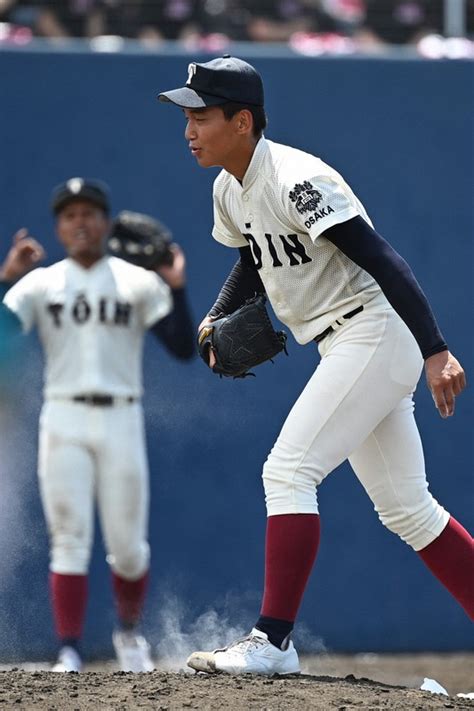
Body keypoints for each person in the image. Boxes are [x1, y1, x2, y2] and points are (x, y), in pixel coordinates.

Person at [158, 56, 473, 675]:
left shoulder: (297, 178)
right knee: (408, 509)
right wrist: (214, 316)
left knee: (289, 470)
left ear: (242, 120)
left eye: (201, 115)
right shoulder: (230, 187)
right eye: (186, 115)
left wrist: (436, 349)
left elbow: (384, 259)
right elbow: (254, 259)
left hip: (375, 328)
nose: (188, 128)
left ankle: (272, 642)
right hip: (344, 341)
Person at [0, 178, 195, 673]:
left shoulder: (134, 280)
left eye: (89, 212)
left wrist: (176, 286)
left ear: (106, 223)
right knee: (69, 537)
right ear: (59, 228)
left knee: (129, 548)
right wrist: (6, 280)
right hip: (62, 415)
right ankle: (69, 649)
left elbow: (181, 346)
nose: (80, 222)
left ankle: (128, 637)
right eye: (69, 215)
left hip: (121, 415)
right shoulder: (42, 282)